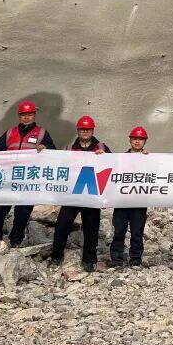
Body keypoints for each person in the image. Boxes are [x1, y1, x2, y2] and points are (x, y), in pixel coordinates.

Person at [0, 100, 56, 247]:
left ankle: (16, 240)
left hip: (28, 180)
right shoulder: (10, 133)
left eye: (29, 114)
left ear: (34, 115)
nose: (26, 117)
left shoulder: (42, 133)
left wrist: (45, 147)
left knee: (23, 211)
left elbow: (53, 153)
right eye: (23, 115)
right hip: (8, 178)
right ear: (19, 116)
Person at [50, 116, 110, 272]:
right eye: (82, 129)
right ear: (78, 130)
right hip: (73, 194)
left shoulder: (102, 147)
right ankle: (56, 255)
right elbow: (60, 167)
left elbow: (113, 167)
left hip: (92, 194)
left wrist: (105, 157)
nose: (85, 132)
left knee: (91, 229)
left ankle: (89, 260)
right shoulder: (70, 148)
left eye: (88, 129)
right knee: (62, 225)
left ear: (92, 130)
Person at [110, 126, 150, 268]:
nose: (137, 141)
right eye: (134, 139)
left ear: (145, 141)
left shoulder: (150, 159)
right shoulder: (120, 158)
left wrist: (149, 159)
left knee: (137, 232)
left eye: (140, 139)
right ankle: (116, 260)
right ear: (130, 140)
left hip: (139, 201)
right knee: (119, 231)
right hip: (122, 201)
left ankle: (135, 259)